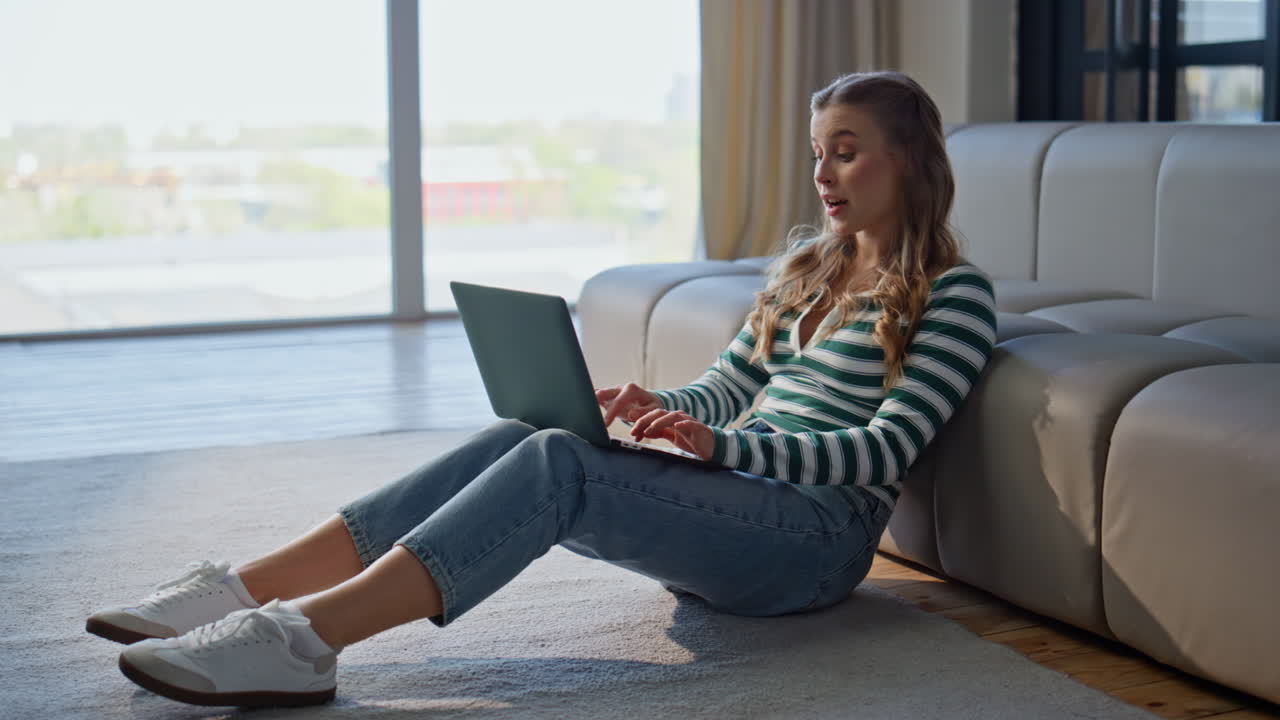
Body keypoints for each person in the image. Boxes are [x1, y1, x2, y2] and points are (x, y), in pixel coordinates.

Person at [86, 71, 997, 708]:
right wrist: (666, 411)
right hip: (743, 502)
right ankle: (243, 591)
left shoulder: (955, 295)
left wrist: (725, 448)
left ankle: (301, 644)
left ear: (911, 160)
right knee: (532, 434)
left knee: (562, 466)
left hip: (815, 543)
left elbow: (885, 451)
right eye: (816, 153)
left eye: (846, 152)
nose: (822, 175)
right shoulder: (804, 268)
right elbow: (732, 384)